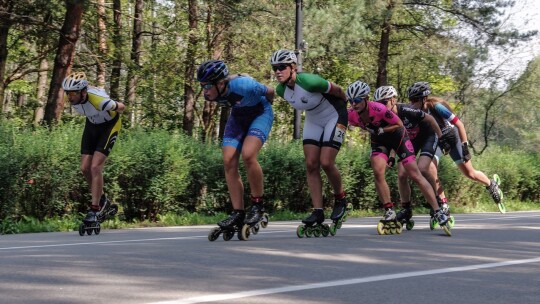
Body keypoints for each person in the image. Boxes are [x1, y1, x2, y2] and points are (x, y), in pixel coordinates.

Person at [346, 81, 449, 232]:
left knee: (415, 174)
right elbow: (339, 121)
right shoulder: (351, 115)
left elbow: (399, 124)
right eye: (351, 101)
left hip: (398, 136)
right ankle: (389, 210)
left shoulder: (379, 109)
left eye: (357, 100)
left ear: (366, 98)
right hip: (380, 140)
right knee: (377, 170)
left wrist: (443, 138)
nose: (353, 104)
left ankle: (438, 211)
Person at [270, 49, 348, 228]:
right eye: (275, 68)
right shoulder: (282, 90)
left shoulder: (310, 81)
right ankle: (318, 211)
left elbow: (339, 91)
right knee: (311, 164)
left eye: (282, 67)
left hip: (334, 114)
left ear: (293, 67)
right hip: (313, 118)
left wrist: (345, 112)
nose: (278, 72)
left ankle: (341, 199)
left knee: (326, 162)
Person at [197, 60, 274, 229]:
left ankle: (257, 205)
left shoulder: (245, 85)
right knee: (228, 161)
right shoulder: (214, 91)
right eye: (202, 86)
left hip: (260, 113)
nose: (205, 91)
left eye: (208, 86)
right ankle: (238, 212)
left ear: (220, 83)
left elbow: (271, 92)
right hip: (238, 116)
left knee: (248, 155)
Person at [407, 82, 504, 212]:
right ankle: (443, 203)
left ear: (424, 99)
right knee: (429, 170)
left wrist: (465, 146)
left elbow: (460, 124)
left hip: (452, 138)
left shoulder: (437, 107)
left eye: (415, 100)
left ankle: (491, 184)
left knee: (469, 173)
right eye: (410, 100)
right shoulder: (413, 112)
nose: (412, 103)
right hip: (436, 141)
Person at [372, 86, 449, 222]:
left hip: (428, 136)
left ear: (393, 100)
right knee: (402, 173)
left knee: (423, 168)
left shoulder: (407, 110)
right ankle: (406, 208)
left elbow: (431, 120)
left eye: (384, 103)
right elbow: (397, 138)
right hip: (411, 139)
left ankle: (438, 202)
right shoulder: (385, 117)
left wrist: (442, 139)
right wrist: (392, 156)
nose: (381, 107)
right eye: (378, 104)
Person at [62, 72, 125, 223]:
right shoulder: (73, 99)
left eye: (72, 94)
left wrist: (114, 104)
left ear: (83, 92)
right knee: (84, 168)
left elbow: (122, 107)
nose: (69, 97)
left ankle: (94, 209)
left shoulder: (100, 101)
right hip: (92, 126)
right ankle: (103, 199)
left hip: (109, 126)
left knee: (95, 167)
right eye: (68, 93)